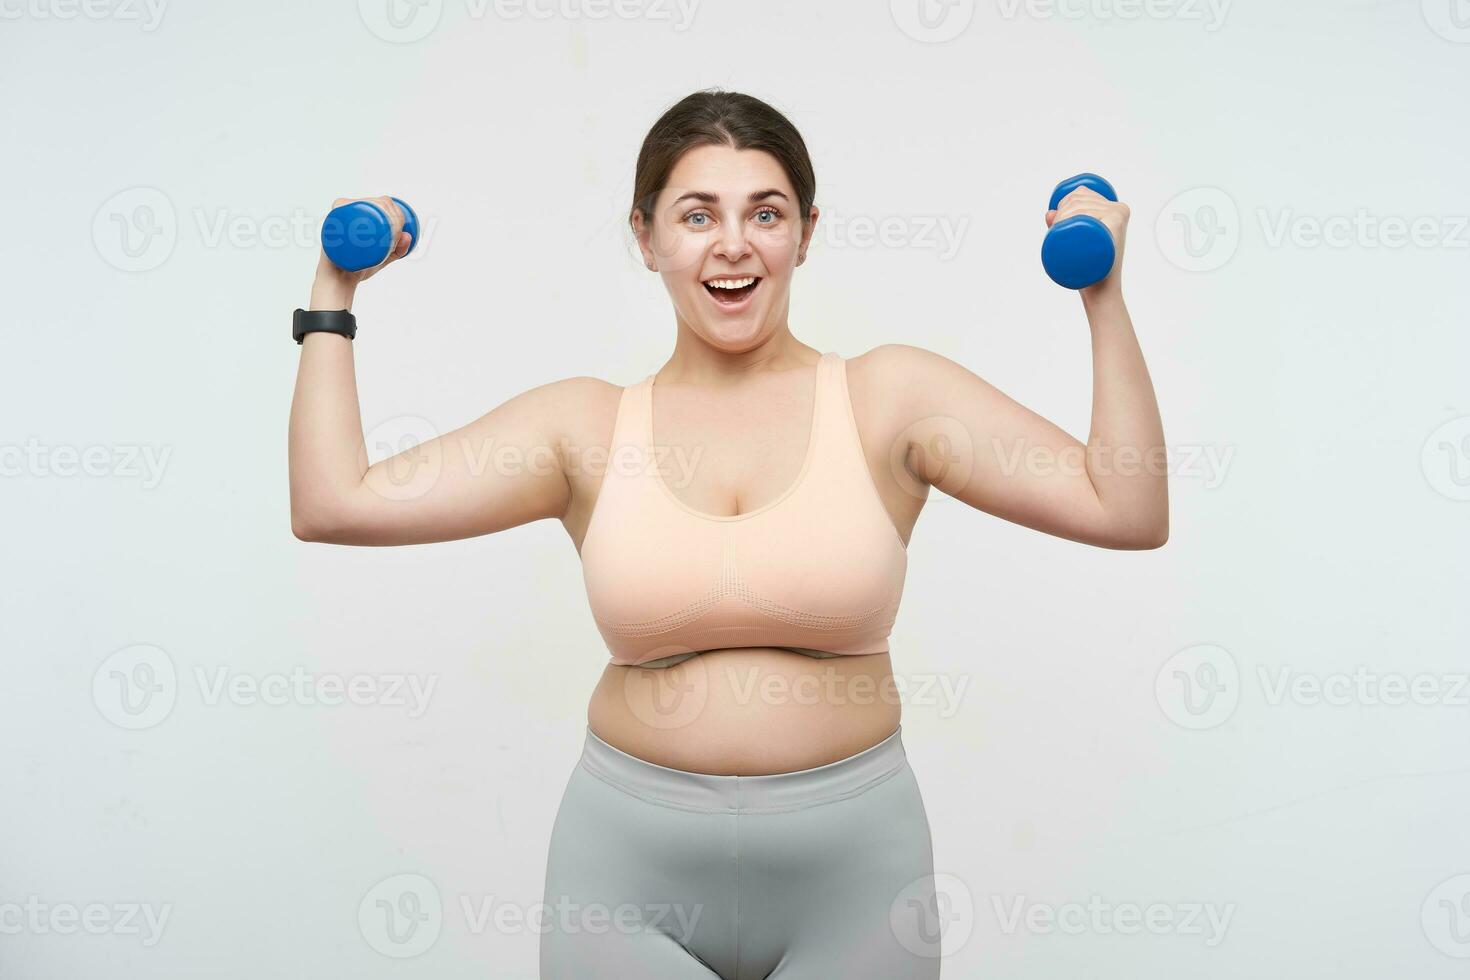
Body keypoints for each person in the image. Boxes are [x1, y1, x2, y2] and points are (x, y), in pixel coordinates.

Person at [288, 88, 1167, 979]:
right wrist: (334, 290)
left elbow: (1123, 508)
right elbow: (336, 503)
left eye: (766, 213)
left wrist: (1102, 292)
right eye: (697, 214)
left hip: (856, 878)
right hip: (624, 879)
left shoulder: (889, 398)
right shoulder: (585, 428)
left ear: (807, 233)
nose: (734, 244)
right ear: (647, 237)